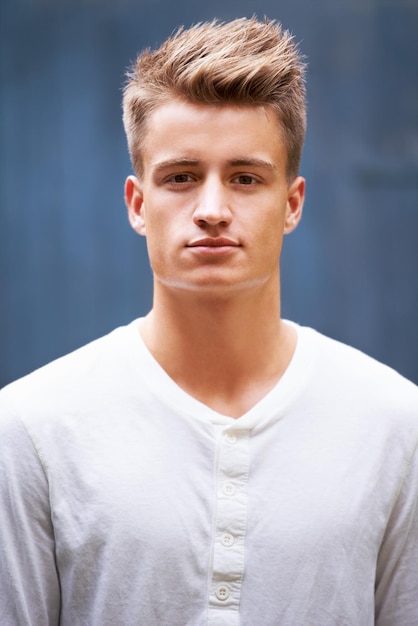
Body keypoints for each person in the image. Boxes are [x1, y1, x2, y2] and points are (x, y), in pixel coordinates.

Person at [0, 16, 417, 626]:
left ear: (292, 203)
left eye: (245, 178)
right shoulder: (31, 430)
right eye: (181, 178)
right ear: (138, 204)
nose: (213, 210)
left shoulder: (395, 426)